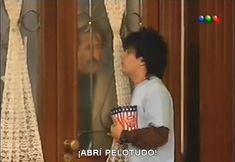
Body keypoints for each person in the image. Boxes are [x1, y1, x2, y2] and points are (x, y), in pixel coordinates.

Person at [110, 27, 174, 162]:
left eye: (128, 52)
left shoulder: (156, 91)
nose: (123, 56)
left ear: (143, 60)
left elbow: (159, 134)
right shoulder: (141, 89)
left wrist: (123, 135)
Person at [77, 27, 117, 150]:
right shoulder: (62, 84)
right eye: (88, 48)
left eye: (98, 47)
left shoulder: (111, 84)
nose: (94, 55)